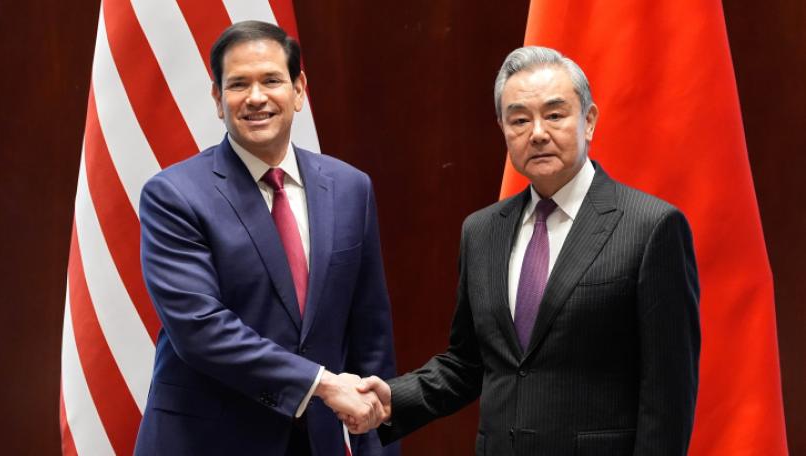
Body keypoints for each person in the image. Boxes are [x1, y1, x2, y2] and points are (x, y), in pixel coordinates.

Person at [355, 46, 700, 455]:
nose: (537, 133)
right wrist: (393, 400)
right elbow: (468, 363)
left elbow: (667, 396)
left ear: (589, 121)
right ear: (503, 128)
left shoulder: (651, 227)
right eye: (519, 120)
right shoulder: (482, 232)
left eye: (554, 115)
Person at [134, 21, 397, 456]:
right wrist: (322, 384)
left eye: (271, 80)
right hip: (208, 443)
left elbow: (371, 338)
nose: (256, 97)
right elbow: (200, 329)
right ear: (218, 100)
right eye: (238, 84)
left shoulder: (351, 188)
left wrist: (377, 445)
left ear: (299, 90)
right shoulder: (174, 195)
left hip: (316, 444)